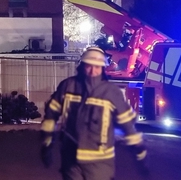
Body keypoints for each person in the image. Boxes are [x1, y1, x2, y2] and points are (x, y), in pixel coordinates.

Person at [40, 46, 147, 180]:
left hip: (100, 162)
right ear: (82, 66)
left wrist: (139, 150)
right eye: (89, 66)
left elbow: (127, 125)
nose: (92, 71)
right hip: (71, 158)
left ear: (102, 68)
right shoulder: (67, 86)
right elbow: (51, 115)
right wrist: (47, 142)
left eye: (97, 67)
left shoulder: (111, 92)